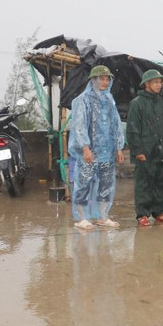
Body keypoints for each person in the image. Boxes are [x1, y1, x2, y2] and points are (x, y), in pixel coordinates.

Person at [68, 65, 125, 229]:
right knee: (83, 184)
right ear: (93, 80)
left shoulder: (109, 101)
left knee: (106, 184)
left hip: (107, 152)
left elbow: (116, 124)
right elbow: (79, 125)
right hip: (89, 152)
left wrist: (119, 147)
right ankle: (82, 218)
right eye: (102, 78)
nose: (105, 82)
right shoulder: (82, 100)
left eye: (107, 79)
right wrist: (85, 147)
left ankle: (103, 216)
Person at [126, 69, 163, 227]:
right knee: (144, 184)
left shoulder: (162, 103)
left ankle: (160, 212)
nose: (159, 85)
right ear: (147, 84)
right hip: (146, 152)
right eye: (155, 82)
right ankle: (143, 214)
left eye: (160, 82)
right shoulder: (137, 104)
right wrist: (138, 151)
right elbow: (132, 130)